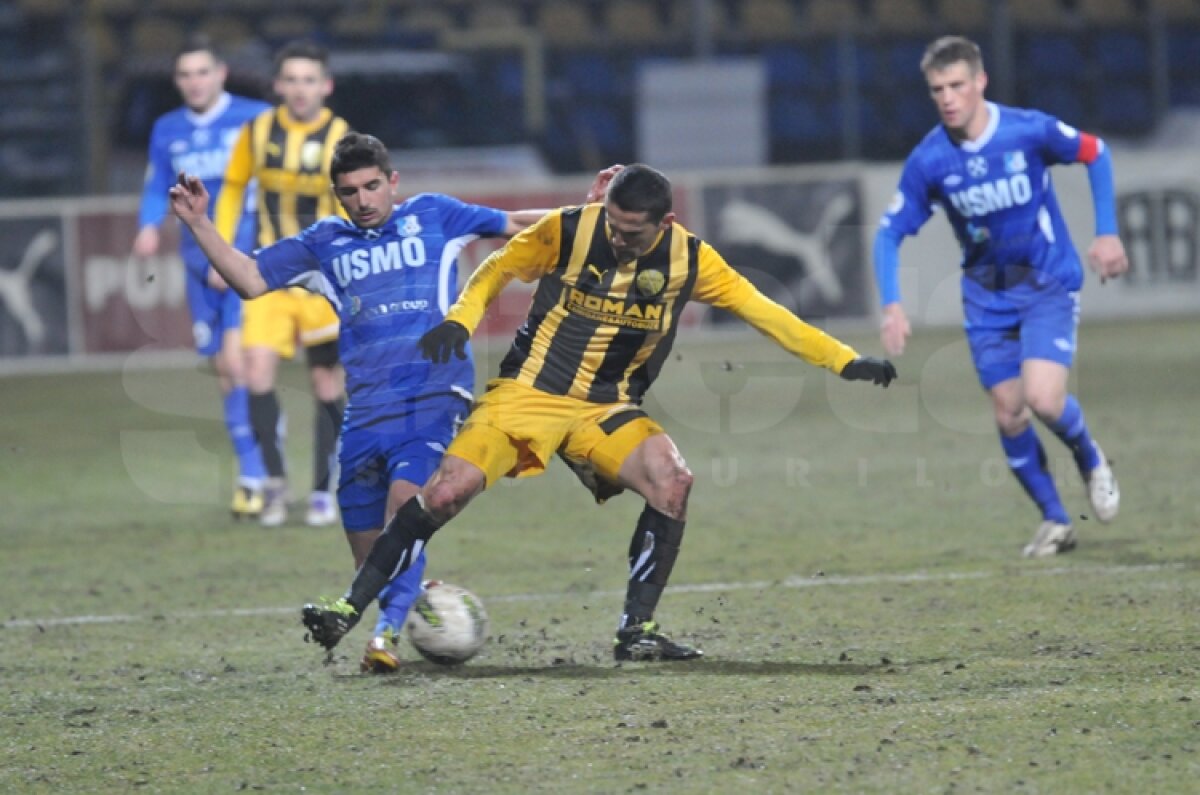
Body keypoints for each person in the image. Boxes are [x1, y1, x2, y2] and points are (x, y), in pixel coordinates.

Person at [299, 163, 898, 663]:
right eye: (611, 224)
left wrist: (843, 361)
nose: (616, 238)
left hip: (605, 407)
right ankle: (347, 608)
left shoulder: (691, 259)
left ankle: (635, 632)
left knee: (673, 480)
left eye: (631, 232)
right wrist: (460, 317)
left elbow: (767, 313)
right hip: (527, 394)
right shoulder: (571, 229)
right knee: (445, 493)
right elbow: (498, 266)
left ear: (663, 222)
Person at [170, 131, 613, 672]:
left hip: (433, 395)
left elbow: (519, 224)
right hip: (365, 411)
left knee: (407, 504)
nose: (363, 199)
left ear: (393, 181)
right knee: (369, 553)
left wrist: (591, 212)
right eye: (350, 191)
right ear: (338, 195)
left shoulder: (435, 215)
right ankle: (419, 600)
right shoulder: (322, 243)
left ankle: (383, 639)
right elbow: (249, 279)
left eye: (372, 186)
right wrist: (197, 222)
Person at [873, 36, 1127, 558]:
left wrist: (1106, 232)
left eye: (957, 85)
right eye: (937, 89)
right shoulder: (930, 160)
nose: (947, 98)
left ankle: (1090, 457)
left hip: (1046, 285)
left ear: (980, 81)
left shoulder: (1027, 130)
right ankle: (1056, 520)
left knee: (1043, 399)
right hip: (986, 299)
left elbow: (1094, 152)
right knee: (1009, 413)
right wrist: (892, 303)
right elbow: (888, 233)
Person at [133, 35, 271, 520]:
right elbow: (156, 184)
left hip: (239, 262)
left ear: (221, 74)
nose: (194, 82)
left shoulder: (254, 118)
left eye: (201, 72)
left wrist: (231, 256)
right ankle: (262, 455)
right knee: (223, 372)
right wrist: (148, 226)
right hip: (196, 266)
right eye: (184, 75)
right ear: (177, 81)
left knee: (237, 363)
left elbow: (262, 192)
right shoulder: (168, 128)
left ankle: (254, 475)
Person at [214, 40, 348, 528]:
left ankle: (320, 490)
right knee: (255, 374)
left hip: (321, 282)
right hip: (269, 277)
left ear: (325, 86)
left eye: (309, 80)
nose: (299, 89)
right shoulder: (258, 132)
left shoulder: (340, 136)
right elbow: (231, 189)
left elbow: (350, 206)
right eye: (290, 80)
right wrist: (223, 251)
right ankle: (274, 485)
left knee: (326, 382)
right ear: (277, 86)